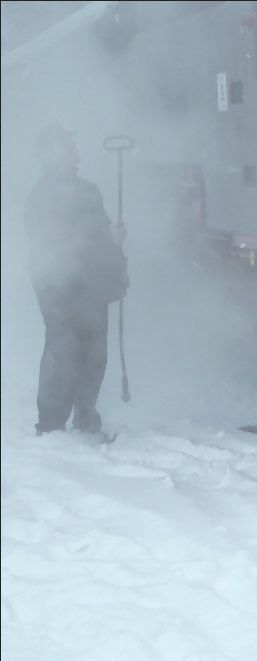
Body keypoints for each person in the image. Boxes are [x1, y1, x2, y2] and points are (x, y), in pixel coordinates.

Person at [24, 122, 129, 440]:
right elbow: (51, 240)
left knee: (94, 350)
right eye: (63, 145)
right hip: (60, 283)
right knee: (63, 347)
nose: (72, 150)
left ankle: (86, 416)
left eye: (71, 145)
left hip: (92, 281)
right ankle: (51, 424)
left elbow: (100, 229)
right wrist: (101, 240)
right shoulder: (43, 194)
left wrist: (114, 238)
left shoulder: (87, 189)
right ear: (47, 153)